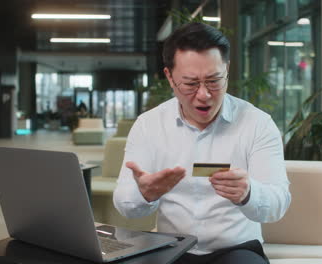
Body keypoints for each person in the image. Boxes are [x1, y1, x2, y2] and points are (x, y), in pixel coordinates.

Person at [113, 22, 291, 264]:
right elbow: (125, 203)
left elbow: (278, 203)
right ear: (169, 77)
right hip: (173, 247)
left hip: (236, 249)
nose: (204, 95)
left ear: (226, 69)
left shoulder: (258, 124)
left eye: (214, 81)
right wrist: (144, 194)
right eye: (190, 83)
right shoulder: (148, 125)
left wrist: (249, 193)